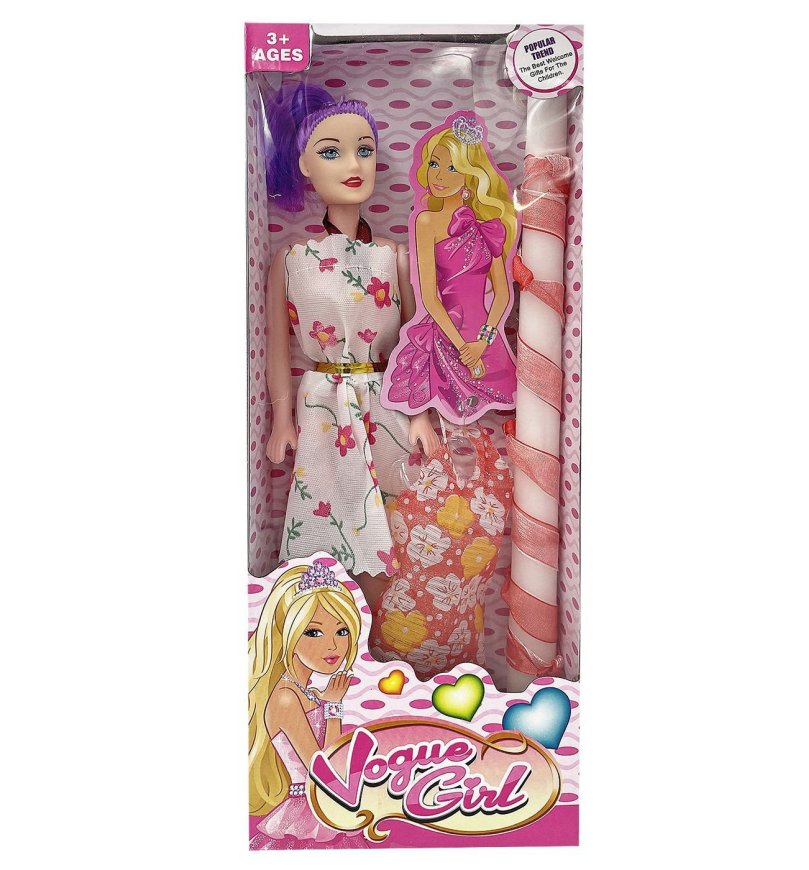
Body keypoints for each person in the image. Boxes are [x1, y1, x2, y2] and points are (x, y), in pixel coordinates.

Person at [263, 83, 439, 607]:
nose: (353, 164)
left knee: (395, 516)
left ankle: (392, 629)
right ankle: (329, 625)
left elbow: (413, 341)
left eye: (365, 149)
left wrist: (420, 414)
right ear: (303, 166)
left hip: (385, 398)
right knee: (324, 513)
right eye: (331, 152)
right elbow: (277, 348)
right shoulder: (292, 257)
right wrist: (281, 419)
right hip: (321, 402)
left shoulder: (393, 255)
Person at [385, 114, 518, 424]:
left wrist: (482, 342)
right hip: (446, 335)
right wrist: (462, 349)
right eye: (434, 164)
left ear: (470, 175)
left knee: (491, 415)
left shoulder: (488, 226)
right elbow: (429, 298)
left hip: (484, 337)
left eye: (452, 168)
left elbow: (502, 295)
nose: (439, 176)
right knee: (447, 412)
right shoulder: (426, 222)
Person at [249, 559, 364, 849]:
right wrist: (333, 708)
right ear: (288, 634)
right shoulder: (286, 698)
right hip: (307, 815)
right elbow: (324, 770)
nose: (333, 645)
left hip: (323, 807)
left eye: (342, 631)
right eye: (313, 632)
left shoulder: (307, 692)